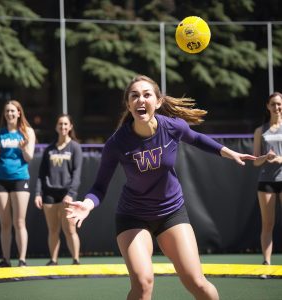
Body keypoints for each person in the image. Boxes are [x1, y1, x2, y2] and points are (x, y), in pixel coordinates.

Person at [66, 75, 256, 300]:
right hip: (133, 217)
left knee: (197, 282)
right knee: (143, 283)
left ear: (157, 102)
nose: (140, 100)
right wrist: (87, 205)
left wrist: (228, 152)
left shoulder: (172, 127)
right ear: (128, 104)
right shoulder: (117, 143)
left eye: (147, 95)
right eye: (134, 96)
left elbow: (197, 138)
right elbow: (99, 187)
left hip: (171, 213)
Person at [0, 100, 36, 267]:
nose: (9, 114)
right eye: (7, 111)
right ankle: (6, 259)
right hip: (0, 180)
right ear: (4, 114)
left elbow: (29, 157)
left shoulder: (27, 132)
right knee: (4, 223)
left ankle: (22, 260)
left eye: (13, 111)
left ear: (19, 113)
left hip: (20, 179)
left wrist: (24, 147)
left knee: (19, 222)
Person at [34, 114, 82, 265]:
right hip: (49, 194)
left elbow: (77, 173)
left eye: (66, 124)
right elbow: (41, 174)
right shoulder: (49, 149)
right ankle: (53, 260)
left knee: (70, 230)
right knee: (53, 230)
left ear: (70, 127)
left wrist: (71, 194)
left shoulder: (75, 147)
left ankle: (76, 260)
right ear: (56, 127)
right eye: (60, 124)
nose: (63, 127)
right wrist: (37, 193)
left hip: (67, 194)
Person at [253, 92, 282, 269]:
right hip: (266, 182)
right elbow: (255, 160)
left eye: (279, 104)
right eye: (273, 104)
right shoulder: (260, 131)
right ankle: (266, 264)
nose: (277, 107)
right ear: (268, 106)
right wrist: (266, 157)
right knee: (267, 223)